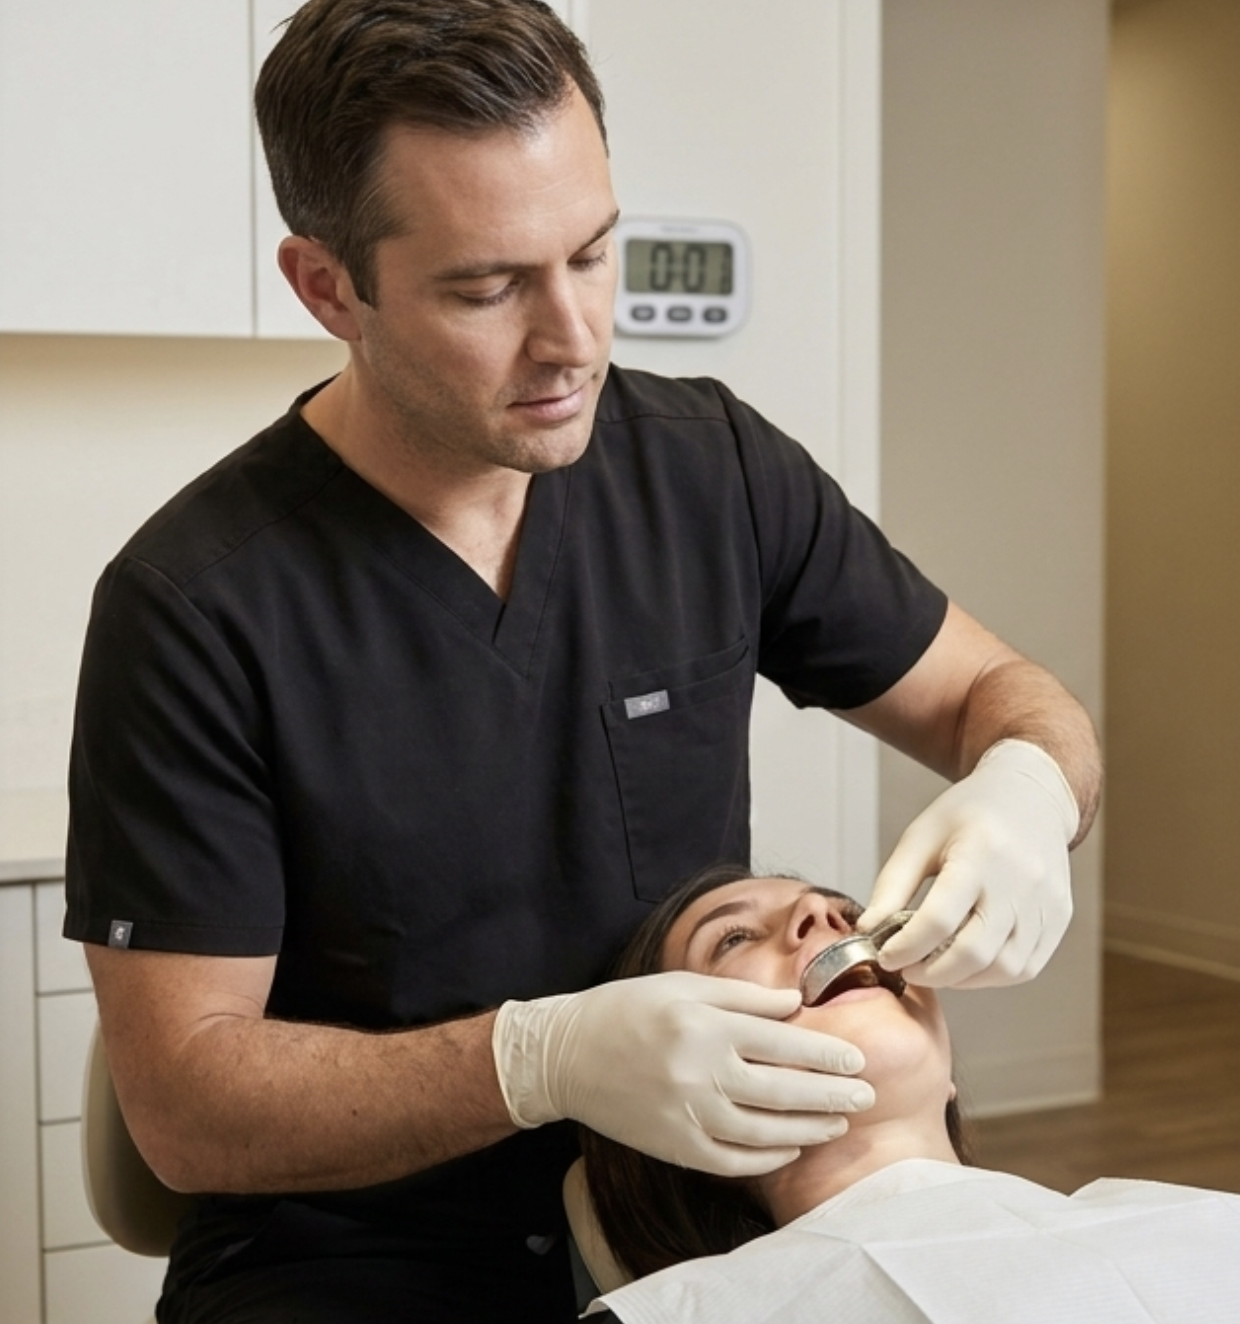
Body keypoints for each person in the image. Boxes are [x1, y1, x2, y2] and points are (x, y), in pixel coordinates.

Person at [63, 1, 1101, 1319]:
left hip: (697, 1221)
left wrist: (1031, 785)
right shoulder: (195, 608)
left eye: (596, 255)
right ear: (329, 286)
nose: (573, 341)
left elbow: (1000, 697)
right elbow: (188, 1113)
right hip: (358, 1261)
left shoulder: (707, 469)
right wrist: (532, 1062)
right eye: (489, 287)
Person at [577, 870, 1240, 1323]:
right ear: (674, 1101)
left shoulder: (1204, 1230)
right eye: (735, 938)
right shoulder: (693, 1311)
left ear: (948, 1074)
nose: (825, 915)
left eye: (849, 916)